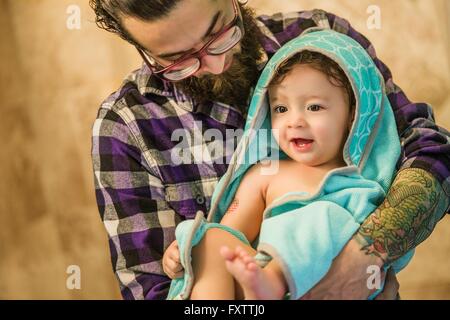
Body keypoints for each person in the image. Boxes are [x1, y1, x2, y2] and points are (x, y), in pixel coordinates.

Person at [90, 0, 450, 300]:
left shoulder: (325, 44)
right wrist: (189, 250)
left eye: (218, 32)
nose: (216, 63)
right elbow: (155, 285)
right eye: (178, 60)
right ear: (141, 50)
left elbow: (430, 151)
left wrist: (365, 260)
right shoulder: (126, 125)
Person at [165, 29, 414, 300]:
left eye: (314, 107)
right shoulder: (265, 174)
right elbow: (230, 232)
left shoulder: (365, 184)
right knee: (208, 238)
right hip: (254, 287)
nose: (295, 121)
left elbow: (390, 255)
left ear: (354, 113)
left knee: (325, 217)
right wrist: (187, 249)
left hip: (337, 287)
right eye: (281, 109)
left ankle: (276, 280)